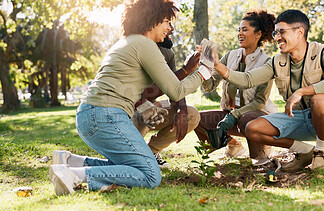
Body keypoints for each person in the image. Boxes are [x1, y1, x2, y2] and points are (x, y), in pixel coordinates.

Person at [48, 0, 212, 195]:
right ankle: (74, 175)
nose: (170, 27)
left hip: (90, 114)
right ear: (153, 19)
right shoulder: (145, 44)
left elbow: (162, 87)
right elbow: (176, 91)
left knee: (129, 163)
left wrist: (188, 72)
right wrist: (205, 70)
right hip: (105, 115)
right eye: (167, 21)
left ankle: (71, 161)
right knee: (151, 174)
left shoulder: (128, 42)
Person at [212, 9, 324, 172]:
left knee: (319, 100)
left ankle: (322, 152)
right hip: (298, 118)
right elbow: (247, 80)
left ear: (300, 32)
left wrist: (301, 92)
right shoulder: (277, 61)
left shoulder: (323, 52)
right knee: (252, 128)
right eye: (276, 33)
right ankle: (305, 151)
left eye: (281, 32)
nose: (276, 37)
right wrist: (217, 65)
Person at [194, 9, 278, 166]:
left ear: (258, 34)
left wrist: (234, 115)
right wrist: (203, 67)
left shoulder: (267, 62)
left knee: (246, 120)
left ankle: (262, 150)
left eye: (244, 29)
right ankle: (233, 146)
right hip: (231, 116)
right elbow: (210, 86)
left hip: (256, 118)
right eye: (239, 30)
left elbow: (259, 101)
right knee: (197, 118)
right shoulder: (231, 56)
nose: (240, 33)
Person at [131, 23, 201, 168]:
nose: (172, 28)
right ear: (153, 22)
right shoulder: (135, 47)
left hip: (147, 110)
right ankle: (132, 154)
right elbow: (144, 93)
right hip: (126, 111)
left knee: (191, 114)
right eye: (168, 22)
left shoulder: (167, 54)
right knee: (147, 109)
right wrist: (185, 71)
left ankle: (150, 153)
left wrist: (181, 110)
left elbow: (174, 87)